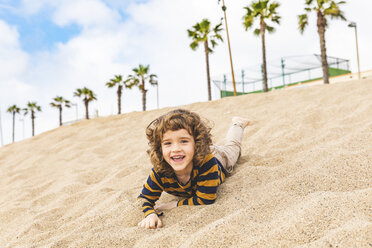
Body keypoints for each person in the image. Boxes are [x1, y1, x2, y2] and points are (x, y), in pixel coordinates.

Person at [137, 109, 249, 229]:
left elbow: (206, 199)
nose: (176, 149)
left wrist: (176, 204)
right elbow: (144, 198)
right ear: (159, 148)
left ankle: (238, 124)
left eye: (183, 141)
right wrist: (150, 214)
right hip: (190, 154)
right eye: (168, 143)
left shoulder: (207, 163)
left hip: (220, 158)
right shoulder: (160, 170)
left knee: (233, 147)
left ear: (196, 143)